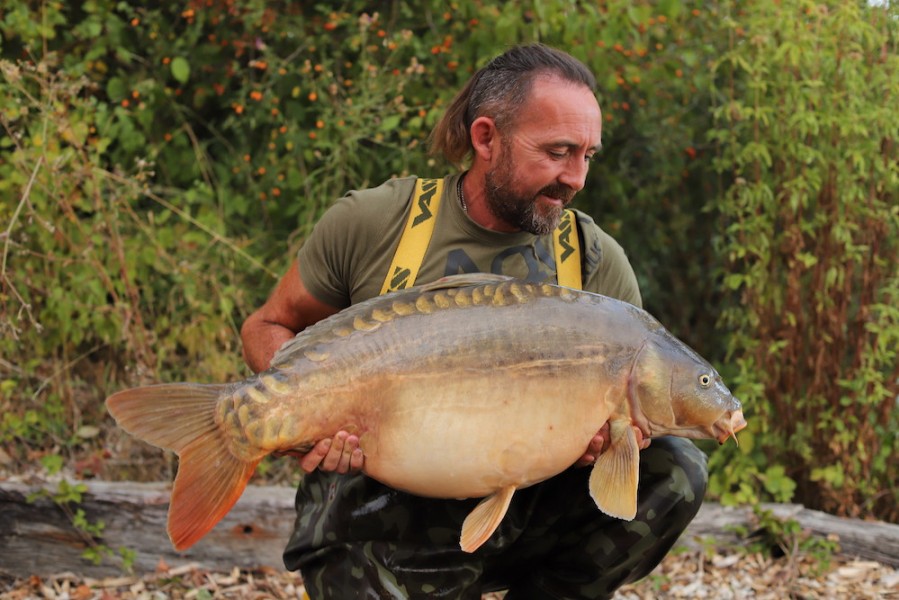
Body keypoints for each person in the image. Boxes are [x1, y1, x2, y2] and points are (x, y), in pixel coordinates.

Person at [240, 43, 708, 600]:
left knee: (675, 468)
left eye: (588, 155)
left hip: (526, 513)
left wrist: (606, 444)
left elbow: (626, 432)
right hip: (381, 513)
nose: (578, 177)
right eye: (558, 151)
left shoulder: (594, 261)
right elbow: (268, 326)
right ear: (486, 138)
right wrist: (298, 411)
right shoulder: (373, 223)